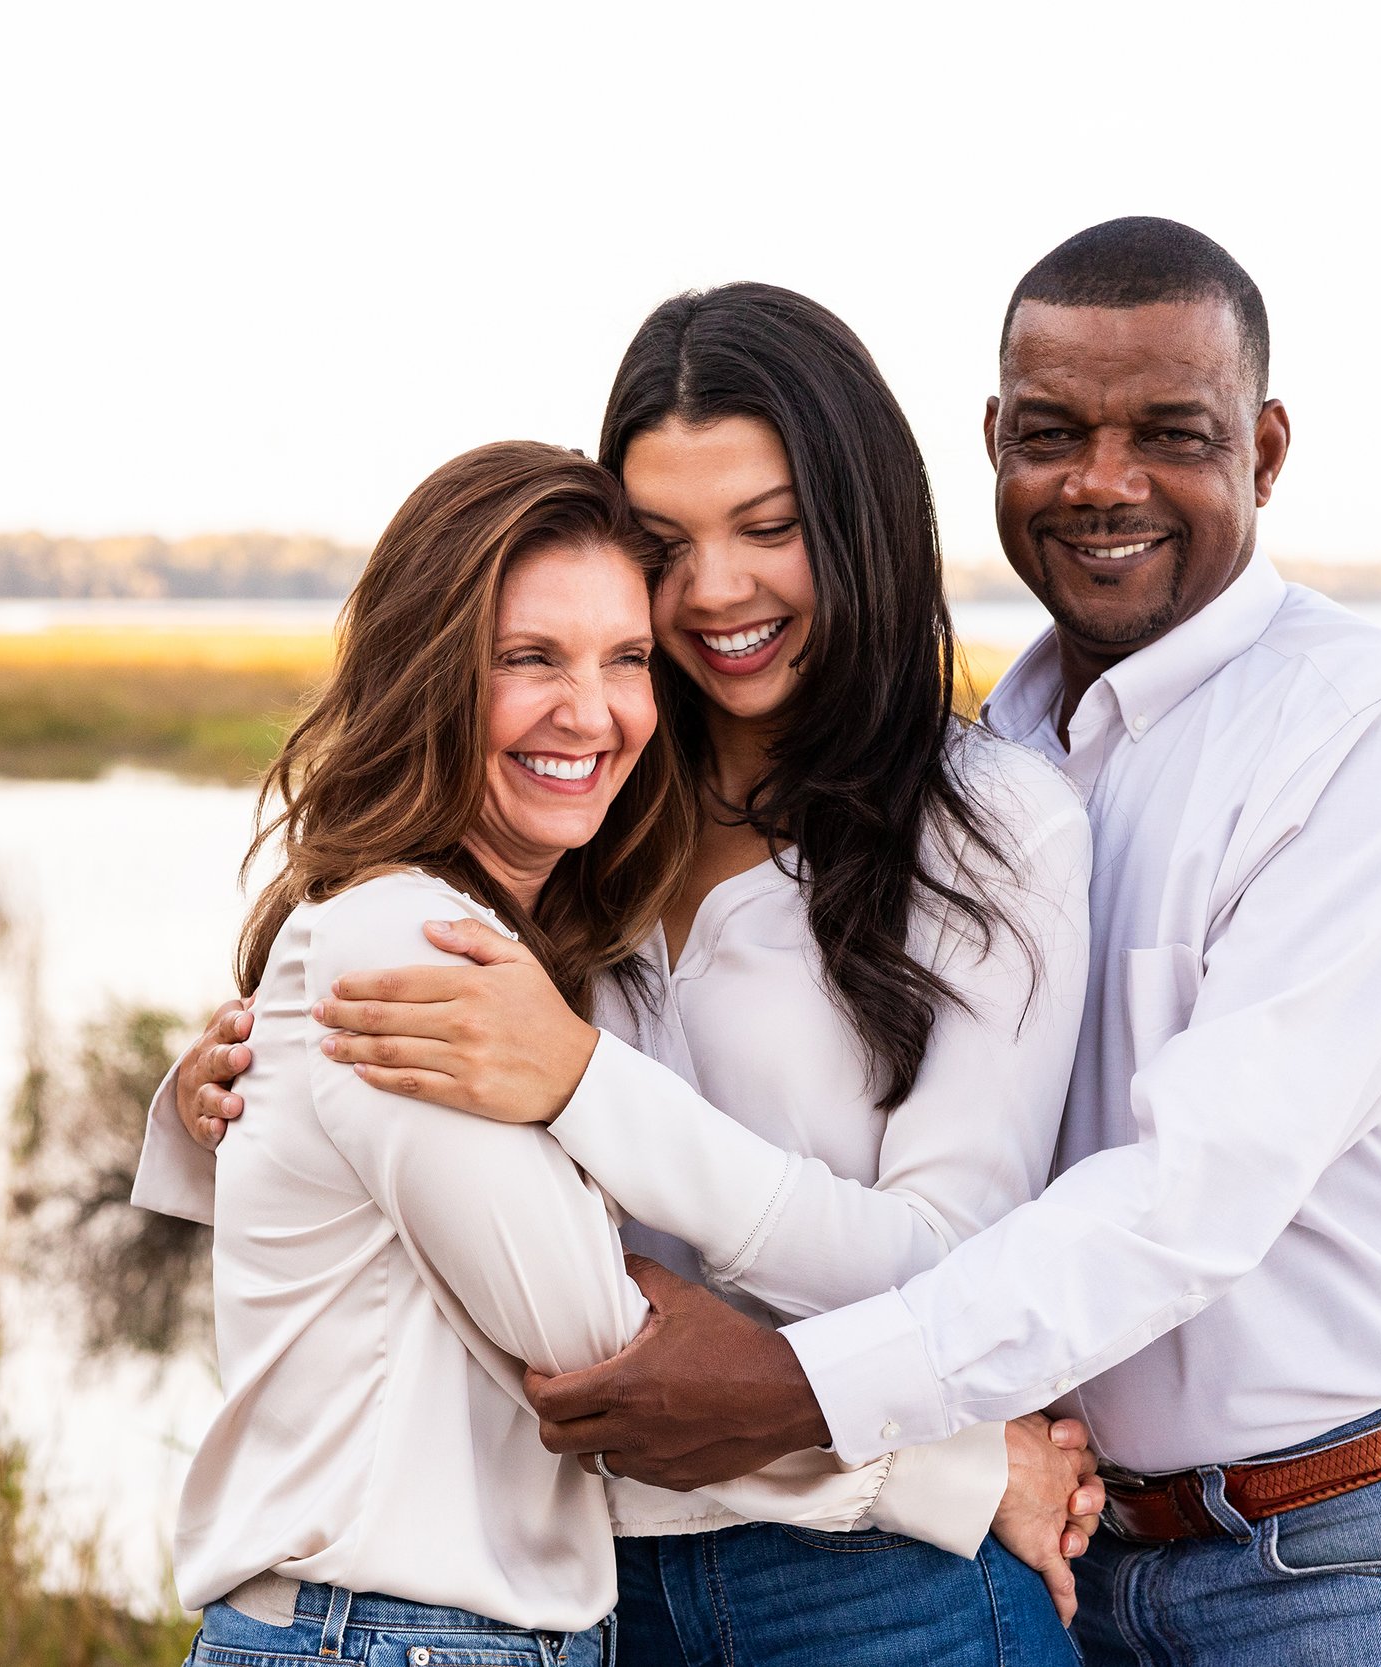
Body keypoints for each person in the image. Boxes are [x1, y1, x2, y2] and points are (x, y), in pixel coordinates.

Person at [308, 221, 1381, 1666]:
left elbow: (1177, 1201)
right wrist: (246, 1076)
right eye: (1052, 434)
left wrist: (793, 1387)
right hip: (1014, 1545)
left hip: (1360, 1545)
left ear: (1268, 448)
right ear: (991, 443)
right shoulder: (679, 783)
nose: (1102, 481)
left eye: (1170, 432)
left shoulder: (1361, 744)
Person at [145, 290, 1103, 1665]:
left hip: (876, 1592)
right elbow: (443, 1215)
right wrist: (214, 1101)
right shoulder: (584, 802)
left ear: (863, 524)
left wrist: (586, 1084)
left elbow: (949, 1277)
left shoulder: (989, 828)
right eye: (663, 546)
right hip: (586, 1583)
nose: (716, 589)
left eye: (770, 529)